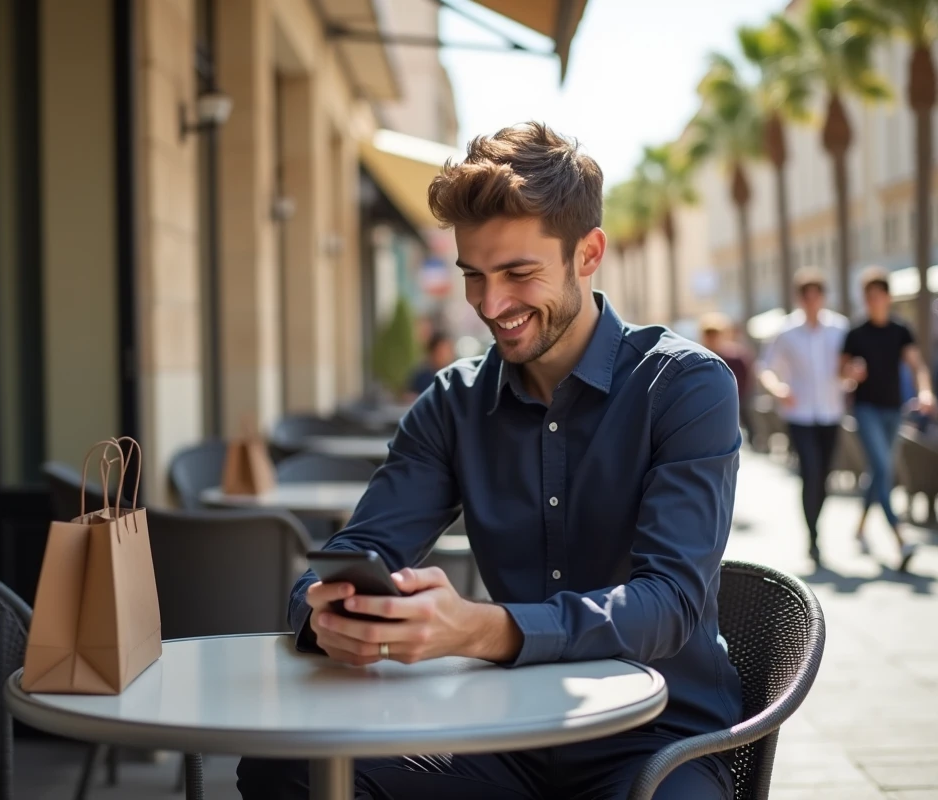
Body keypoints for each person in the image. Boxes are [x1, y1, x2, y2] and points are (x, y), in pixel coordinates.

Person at [237, 123, 743, 799]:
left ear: (588, 253)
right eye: (474, 275)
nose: (490, 304)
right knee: (283, 770)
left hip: (656, 739)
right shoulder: (452, 403)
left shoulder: (685, 386)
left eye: (518, 274)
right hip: (506, 736)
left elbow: (669, 602)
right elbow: (359, 549)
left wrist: (482, 629)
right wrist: (326, 614)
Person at [840, 267, 935, 571]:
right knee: (883, 469)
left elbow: (917, 365)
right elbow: (841, 372)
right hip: (865, 410)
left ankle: (859, 528)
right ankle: (900, 538)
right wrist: (851, 374)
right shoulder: (856, 333)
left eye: (878, 295)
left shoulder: (900, 329)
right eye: (869, 296)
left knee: (878, 472)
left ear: (887, 297)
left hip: (894, 410)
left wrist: (925, 392)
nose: (874, 301)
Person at [757, 268, 848, 564]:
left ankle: (815, 526)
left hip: (831, 412)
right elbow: (766, 367)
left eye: (815, 296)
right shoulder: (786, 331)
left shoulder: (840, 328)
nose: (811, 302)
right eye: (805, 297)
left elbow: (848, 366)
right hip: (799, 414)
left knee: (824, 477)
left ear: (823, 297)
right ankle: (813, 537)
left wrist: (853, 374)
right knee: (810, 472)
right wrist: (778, 389)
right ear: (799, 299)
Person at [700, 312, 754, 442]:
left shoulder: (736, 357)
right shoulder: (698, 358)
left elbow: (745, 380)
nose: (712, 339)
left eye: (715, 334)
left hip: (735, 402)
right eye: (709, 335)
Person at [404, 330, 456, 400]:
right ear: (432, 352)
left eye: (447, 351)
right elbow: (408, 395)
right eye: (440, 352)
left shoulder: (456, 377)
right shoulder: (421, 376)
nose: (444, 356)